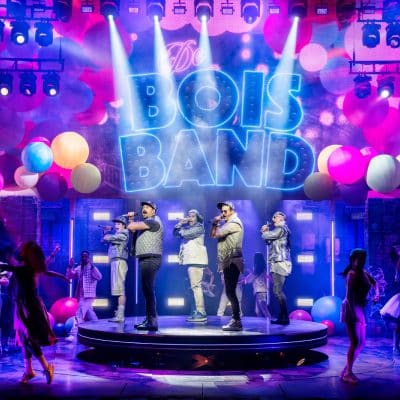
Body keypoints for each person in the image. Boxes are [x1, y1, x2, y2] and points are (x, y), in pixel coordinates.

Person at [0, 241, 68, 384]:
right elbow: (47, 271)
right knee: (24, 340)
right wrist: (61, 276)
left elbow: (8, 267)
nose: (20, 250)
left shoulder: (24, 269)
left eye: (22, 249)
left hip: (30, 307)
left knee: (29, 339)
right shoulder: (28, 268)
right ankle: (29, 370)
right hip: (22, 306)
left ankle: (45, 367)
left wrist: (61, 274)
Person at [340, 248, 379, 384]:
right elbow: (349, 297)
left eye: (364, 259)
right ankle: (347, 373)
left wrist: (377, 294)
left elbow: (375, 283)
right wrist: (353, 315)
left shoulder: (364, 273)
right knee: (355, 342)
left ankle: (346, 370)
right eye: (360, 258)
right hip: (351, 308)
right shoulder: (352, 274)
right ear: (353, 259)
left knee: (362, 343)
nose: (362, 261)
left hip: (360, 308)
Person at [128, 201, 163, 331]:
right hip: (147, 258)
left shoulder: (153, 222)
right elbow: (133, 230)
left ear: (154, 211)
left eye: (147, 207)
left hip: (151, 258)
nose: (144, 209)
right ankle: (149, 319)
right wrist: (132, 220)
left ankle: (152, 321)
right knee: (147, 289)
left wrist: (131, 219)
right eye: (143, 207)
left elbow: (131, 227)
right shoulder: (147, 223)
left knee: (148, 289)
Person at [210, 201, 244, 331]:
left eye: (225, 211)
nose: (223, 213)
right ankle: (236, 320)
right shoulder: (227, 223)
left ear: (232, 211)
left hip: (232, 260)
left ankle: (237, 320)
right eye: (222, 211)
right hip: (227, 260)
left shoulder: (234, 223)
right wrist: (215, 224)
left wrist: (215, 223)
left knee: (230, 291)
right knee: (230, 291)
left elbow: (216, 234)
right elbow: (212, 235)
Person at [174, 209, 208, 322]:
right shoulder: (188, 228)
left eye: (193, 216)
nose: (190, 218)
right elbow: (175, 233)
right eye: (189, 216)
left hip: (196, 260)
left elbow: (185, 234)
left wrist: (182, 225)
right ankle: (195, 311)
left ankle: (201, 312)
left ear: (197, 218)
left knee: (196, 287)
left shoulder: (199, 227)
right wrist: (180, 223)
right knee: (192, 288)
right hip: (190, 261)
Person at [261, 211, 292, 325]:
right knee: (277, 291)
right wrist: (265, 233)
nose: (275, 218)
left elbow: (268, 236)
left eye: (277, 216)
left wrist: (264, 232)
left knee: (278, 291)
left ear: (282, 219)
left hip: (280, 262)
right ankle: (282, 316)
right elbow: (269, 241)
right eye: (275, 217)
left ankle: (285, 317)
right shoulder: (280, 230)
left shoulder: (281, 228)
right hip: (277, 262)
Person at [102, 215, 129, 323]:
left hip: (119, 262)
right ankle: (119, 314)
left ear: (124, 225)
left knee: (120, 290)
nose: (116, 225)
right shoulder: (117, 234)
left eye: (118, 224)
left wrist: (106, 233)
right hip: (115, 262)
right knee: (117, 290)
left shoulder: (124, 234)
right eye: (115, 224)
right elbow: (103, 240)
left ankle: (121, 316)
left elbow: (107, 238)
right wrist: (105, 232)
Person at [66, 251, 102, 324]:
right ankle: (97, 326)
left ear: (89, 258)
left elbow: (99, 277)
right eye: (82, 257)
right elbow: (69, 276)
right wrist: (70, 266)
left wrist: (92, 266)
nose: (84, 258)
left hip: (88, 295)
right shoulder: (79, 268)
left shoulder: (92, 268)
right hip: (81, 295)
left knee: (79, 313)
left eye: (86, 257)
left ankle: (75, 330)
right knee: (90, 314)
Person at [380, 244, 400, 355]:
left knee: (398, 324)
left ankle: (396, 346)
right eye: (398, 249)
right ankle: (395, 346)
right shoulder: (398, 264)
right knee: (398, 323)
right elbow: (397, 281)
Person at [244, 252, 271, 318]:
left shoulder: (257, 270)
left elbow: (249, 279)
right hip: (261, 291)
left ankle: (270, 322)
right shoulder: (263, 269)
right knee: (258, 311)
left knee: (264, 310)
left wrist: (244, 280)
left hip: (260, 292)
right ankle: (263, 324)